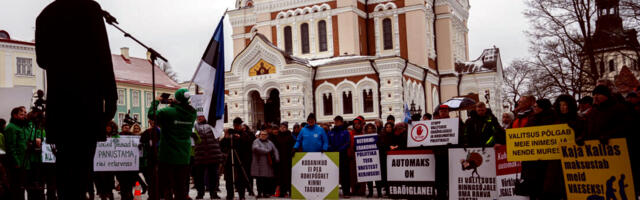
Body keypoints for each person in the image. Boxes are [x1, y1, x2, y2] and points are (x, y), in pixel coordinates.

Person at [36, 0, 118, 197]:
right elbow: (104, 56)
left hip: (61, 102)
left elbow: (42, 61)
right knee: (83, 166)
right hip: (88, 102)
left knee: (64, 166)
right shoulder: (90, 8)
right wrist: (111, 97)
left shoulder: (46, 13)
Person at [147, 88, 197, 200]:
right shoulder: (192, 113)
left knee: (164, 186)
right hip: (184, 156)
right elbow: (180, 112)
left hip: (167, 156)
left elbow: (151, 115)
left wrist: (156, 101)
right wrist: (176, 103)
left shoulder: (168, 112)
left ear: (177, 99)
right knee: (180, 187)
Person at [221, 118, 253, 200]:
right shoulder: (230, 133)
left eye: (240, 125)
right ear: (235, 125)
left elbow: (248, 143)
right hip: (230, 159)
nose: (239, 126)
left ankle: (241, 195)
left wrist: (240, 137)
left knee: (241, 178)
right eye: (237, 125)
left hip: (241, 159)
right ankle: (230, 195)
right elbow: (222, 146)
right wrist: (226, 137)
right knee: (229, 178)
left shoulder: (244, 134)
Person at [193, 116, 224, 199]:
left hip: (213, 154)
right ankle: (200, 193)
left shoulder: (212, 124)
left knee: (214, 175)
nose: (199, 117)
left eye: (201, 116)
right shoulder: (195, 126)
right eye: (198, 116)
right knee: (199, 176)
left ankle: (213, 193)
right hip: (200, 154)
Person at [5, 106, 29, 200]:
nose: (24, 116)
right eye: (21, 114)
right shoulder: (11, 127)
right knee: (16, 188)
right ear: (15, 115)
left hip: (24, 162)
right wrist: (17, 162)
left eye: (24, 114)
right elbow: (11, 147)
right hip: (17, 164)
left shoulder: (21, 126)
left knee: (21, 188)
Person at [251, 131, 280, 198]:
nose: (263, 136)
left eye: (265, 134)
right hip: (258, 164)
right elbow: (256, 148)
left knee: (266, 180)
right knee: (259, 180)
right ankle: (259, 193)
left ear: (267, 135)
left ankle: (265, 193)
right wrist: (267, 150)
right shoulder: (256, 141)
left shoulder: (270, 142)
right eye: (262, 134)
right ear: (259, 135)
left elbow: (275, 150)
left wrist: (277, 158)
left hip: (267, 164)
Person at [327, 116, 351, 197]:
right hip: (332, 155)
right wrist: (331, 149)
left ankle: (346, 192)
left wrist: (339, 150)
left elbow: (347, 143)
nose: (336, 123)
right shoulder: (331, 132)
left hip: (343, 155)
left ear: (341, 122)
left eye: (337, 121)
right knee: (332, 173)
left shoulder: (345, 132)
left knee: (345, 174)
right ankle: (331, 192)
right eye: (335, 121)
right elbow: (328, 142)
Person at [273, 122, 296, 197]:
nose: (282, 128)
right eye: (281, 127)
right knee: (280, 176)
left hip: (287, 159)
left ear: (286, 128)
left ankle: (290, 191)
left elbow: (294, 145)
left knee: (288, 176)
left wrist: (293, 151)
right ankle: (282, 192)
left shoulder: (290, 136)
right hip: (279, 160)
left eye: (284, 127)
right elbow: (274, 147)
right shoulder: (277, 136)